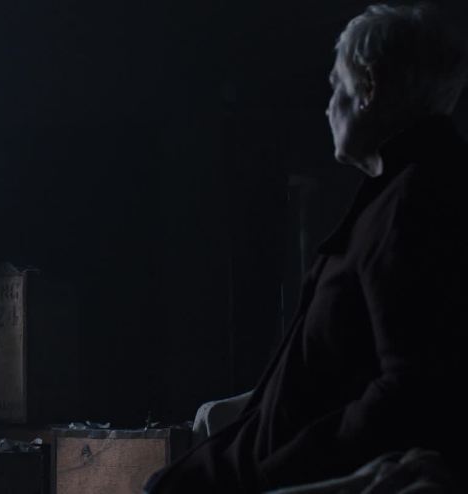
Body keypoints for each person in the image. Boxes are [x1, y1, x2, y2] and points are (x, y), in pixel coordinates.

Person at [145, 4, 468, 492]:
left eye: (337, 86)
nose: (328, 105)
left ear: (369, 88)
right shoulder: (399, 191)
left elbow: (410, 389)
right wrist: (253, 406)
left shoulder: (414, 201)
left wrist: (281, 467)